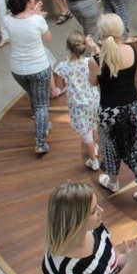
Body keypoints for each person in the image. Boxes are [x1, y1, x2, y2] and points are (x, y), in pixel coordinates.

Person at [86, 14, 137, 208]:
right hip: (133, 107)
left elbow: (93, 82)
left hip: (109, 111)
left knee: (110, 148)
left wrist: (94, 52)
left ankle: (113, 182)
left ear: (101, 34)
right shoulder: (132, 51)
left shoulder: (95, 60)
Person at [4, 0, 52, 155]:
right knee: (42, 105)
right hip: (38, 67)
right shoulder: (37, 21)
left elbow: (21, 22)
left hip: (17, 70)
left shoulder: (6, 20)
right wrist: (38, 17)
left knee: (34, 94)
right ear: (28, 2)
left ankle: (40, 121)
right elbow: (48, 38)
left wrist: (33, 14)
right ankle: (40, 141)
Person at [54, 31, 100, 171]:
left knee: (86, 133)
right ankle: (96, 146)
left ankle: (93, 160)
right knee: (94, 124)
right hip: (94, 100)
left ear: (68, 47)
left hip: (78, 105)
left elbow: (60, 87)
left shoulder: (63, 67)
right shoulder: (89, 62)